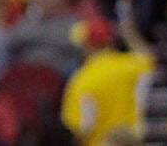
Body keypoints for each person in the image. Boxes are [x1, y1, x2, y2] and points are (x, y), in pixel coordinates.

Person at [60, 12, 156, 146]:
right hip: (132, 141)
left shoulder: (81, 79)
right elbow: (149, 58)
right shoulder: (129, 65)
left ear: (87, 46)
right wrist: (130, 33)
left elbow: (81, 128)